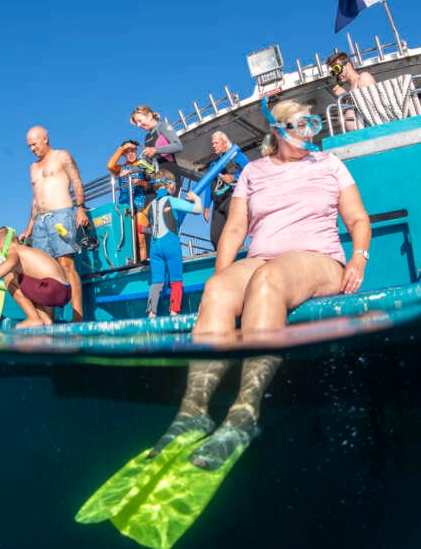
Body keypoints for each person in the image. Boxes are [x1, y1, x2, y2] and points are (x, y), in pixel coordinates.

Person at [152, 96, 371, 471]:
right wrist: (220, 274)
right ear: (279, 130)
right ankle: (194, 411)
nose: (307, 132)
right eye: (300, 125)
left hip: (318, 259)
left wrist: (358, 258)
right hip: (261, 258)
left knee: (268, 280)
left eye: (311, 124)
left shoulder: (330, 165)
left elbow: (357, 219)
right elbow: (235, 228)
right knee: (218, 290)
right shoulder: (254, 172)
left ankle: (245, 412)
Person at [18, 125, 88, 322]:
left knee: (66, 265)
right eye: (29, 146)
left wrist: (80, 207)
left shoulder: (62, 155)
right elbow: (35, 199)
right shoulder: (33, 168)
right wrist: (29, 227)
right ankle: (49, 320)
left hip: (61, 215)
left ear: (45, 139)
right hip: (39, 221)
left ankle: (77, 316)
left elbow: (76, 181)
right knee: (44, 273)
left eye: (34, 144)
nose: (32, 149)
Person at [0, 227, 71, 329]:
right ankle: (47, 320)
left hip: (51, 288)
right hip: (65, 291)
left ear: (0, 245)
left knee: (9, 278)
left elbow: (9, 265)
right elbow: (1, 268)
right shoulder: (27, 251)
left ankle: (34, 319)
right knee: (31, 280)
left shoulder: (13, 250)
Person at [144, 169, 203, 317]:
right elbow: (198, 210)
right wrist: (196, 198)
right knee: (176, 280)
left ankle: (151, 313)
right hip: (171, 244)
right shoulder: (172, 200)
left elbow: (149, 226)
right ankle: (174, 312)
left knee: (157, 281)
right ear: (170, 185)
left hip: (155, 247)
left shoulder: (151, 205)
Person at [201, 131, 250, 250]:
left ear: (224, 142)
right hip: (218, 204)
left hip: (232, 199)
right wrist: (207, 206)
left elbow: (250, 172)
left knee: (233, 233)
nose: (213, 146)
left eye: (216, 143)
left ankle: (236, 257)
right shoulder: (214, 164)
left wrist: (234, 177)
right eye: (212, 144)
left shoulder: (237, 156)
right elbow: (208, 185)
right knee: (215, 237)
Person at [107, 139, 149, 261]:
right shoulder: (121, 168)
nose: (130, 154)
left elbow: (150, 184)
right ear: (124, 154)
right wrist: (121, 148)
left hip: (139, 204)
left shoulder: (142, 166)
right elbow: (110, 165)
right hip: (124, 206)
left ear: (137, 151)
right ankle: (131, 263)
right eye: (127, 152)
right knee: (128, 238)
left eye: (133, 151)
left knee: (140, 237)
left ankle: (143, 263)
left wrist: (139, 182)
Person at [130, 105, 186, 192]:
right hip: (154, 179)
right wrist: (130, 171)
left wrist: (155, 150)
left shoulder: (163, 126)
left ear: (149, 116)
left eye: (140, 121)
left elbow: (178, 146)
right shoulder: (147, 137)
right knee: (149, 204)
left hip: (169, 176)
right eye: (137, 123)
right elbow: (147, 161)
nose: (139, 125)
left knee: (166, 204)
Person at [326, 50, 376, 130]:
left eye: (337, 69)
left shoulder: (363, 77)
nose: (337, 75)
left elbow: (372, 107)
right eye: (334, 72)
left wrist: (347, 96)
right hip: (358, 136)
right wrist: (345, 97)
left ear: (348, 66)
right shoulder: (349, 91)